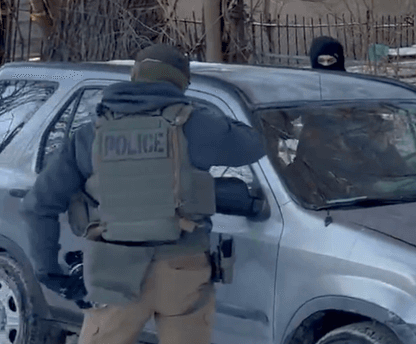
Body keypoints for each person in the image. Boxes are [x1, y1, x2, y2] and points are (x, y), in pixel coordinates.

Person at [21, 44, 267, 344]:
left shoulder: (92, 133)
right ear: (181, 83)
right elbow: (253, 144)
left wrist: (50, 273)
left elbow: (39, 205)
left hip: (113, 273)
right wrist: (200, 114)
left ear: (135, 76)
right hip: (182, 271)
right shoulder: (194, 125)